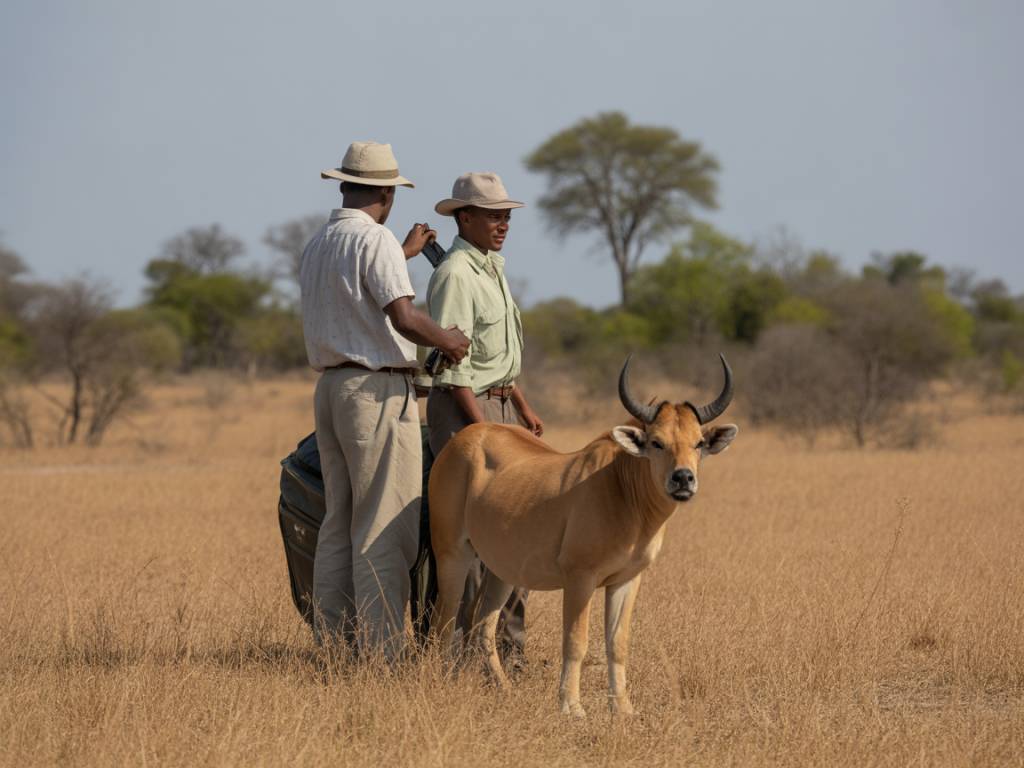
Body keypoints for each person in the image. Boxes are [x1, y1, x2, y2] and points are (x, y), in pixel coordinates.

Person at [300, 141, 470, 661]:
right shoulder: (374, 240)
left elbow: (355, 294)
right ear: (387, 193)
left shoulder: (320, 241)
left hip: (332, 388)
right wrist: (449, 340)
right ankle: (383, 655)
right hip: (375, 392)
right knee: (384, 522)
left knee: (339, 521)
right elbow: (403, 317)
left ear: (345, 185)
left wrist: (402, 252)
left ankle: (336, 647)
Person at [425, 171, 544, 666]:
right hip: (466, 410)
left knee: (517, 532)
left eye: (507, 216)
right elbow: (454, 368)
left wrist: (521, 406)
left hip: (498, 407)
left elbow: (496, 357)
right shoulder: (455, 273)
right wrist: (484, 431)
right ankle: (463, 661)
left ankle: (508, 655)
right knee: (472, 540)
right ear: (465, 218)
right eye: (493, 216)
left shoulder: (492, 267)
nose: (503, 225)